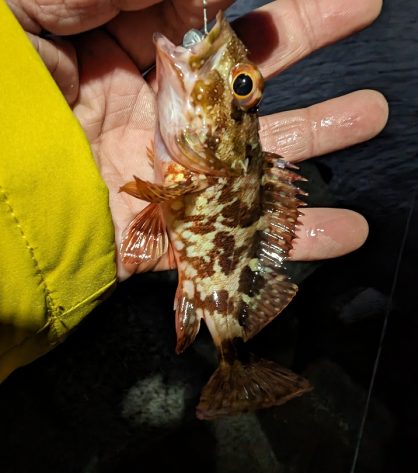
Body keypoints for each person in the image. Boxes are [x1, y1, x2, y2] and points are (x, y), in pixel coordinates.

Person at [0, 0, 388, 382]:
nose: (236, 87)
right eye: (242, 86)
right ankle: (234, 360)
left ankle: (233, 363)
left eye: (240, 87)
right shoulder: (203, 158)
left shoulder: (208, 160)